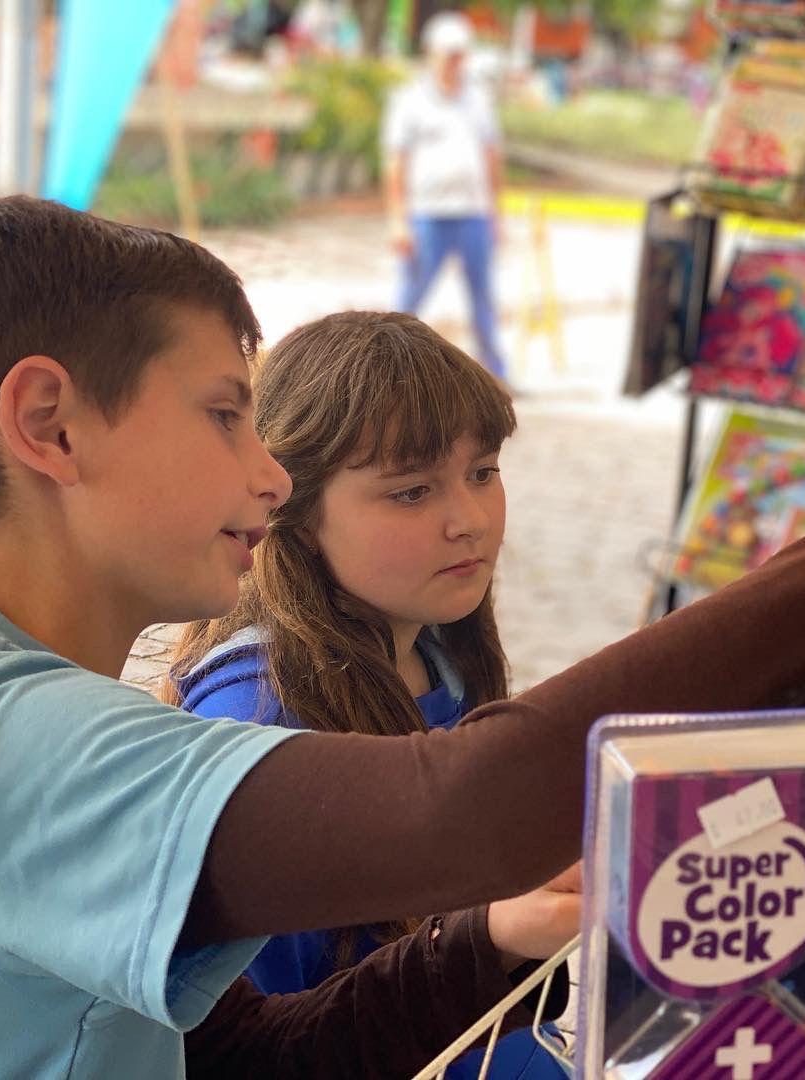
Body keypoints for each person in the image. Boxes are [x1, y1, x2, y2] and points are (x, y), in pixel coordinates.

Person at [0, 196, 805, 1077]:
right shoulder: (1, 745)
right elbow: (467, 807)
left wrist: (492, 938)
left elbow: (254, 1060)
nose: (269, 474)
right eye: (224, 414)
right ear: (50, 425)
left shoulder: (9, 727)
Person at [167, 311, 564, 1078]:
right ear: (289, 506)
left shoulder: (440, 656)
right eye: (411, 492)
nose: (469, 520)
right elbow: (270, 1042)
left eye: (483, 472)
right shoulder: (257, 726)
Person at [384, 10, 509, 382]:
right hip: (428, 214)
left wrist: (496, 215)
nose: (455, 62)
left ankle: (495, 373)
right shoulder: (410, 100)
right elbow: (396, 165)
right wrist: (398, 221)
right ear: (431, 53)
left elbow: (491, 157)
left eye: (460, 54)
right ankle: (384, 370)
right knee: (409, 297)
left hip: (472, 213)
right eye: (448, 54)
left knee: (483, 298)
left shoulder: (478, 99)